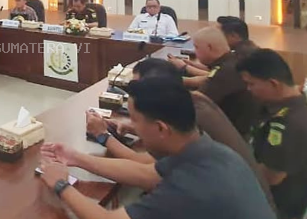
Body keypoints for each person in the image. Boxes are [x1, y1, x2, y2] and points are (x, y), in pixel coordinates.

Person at [40, 78, 283, 219]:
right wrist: (75, 158)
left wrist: (61, 185)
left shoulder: (194, 187)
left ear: (160, 128)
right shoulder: (210, 150)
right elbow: (145, 173)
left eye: (135, 120)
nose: (132, 126)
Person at [87, 58, 275, 209]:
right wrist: (132, 127)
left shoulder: (194, 119)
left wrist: (103, 136)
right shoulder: (193, 101)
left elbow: (144, 169)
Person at [238, 49, 307, 219]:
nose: (248, 90)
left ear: (274, 84)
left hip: (273, 209)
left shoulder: (291, 124)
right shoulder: (288, 106)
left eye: (251, 84)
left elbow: (270, 177)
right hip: (272, 195)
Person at [175, 27, 262, 138]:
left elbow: (197, 102)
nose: (195, 51)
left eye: (196, 47)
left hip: (235, 135)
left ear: (210, 47)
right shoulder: (231, 61)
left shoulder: (225, 72)